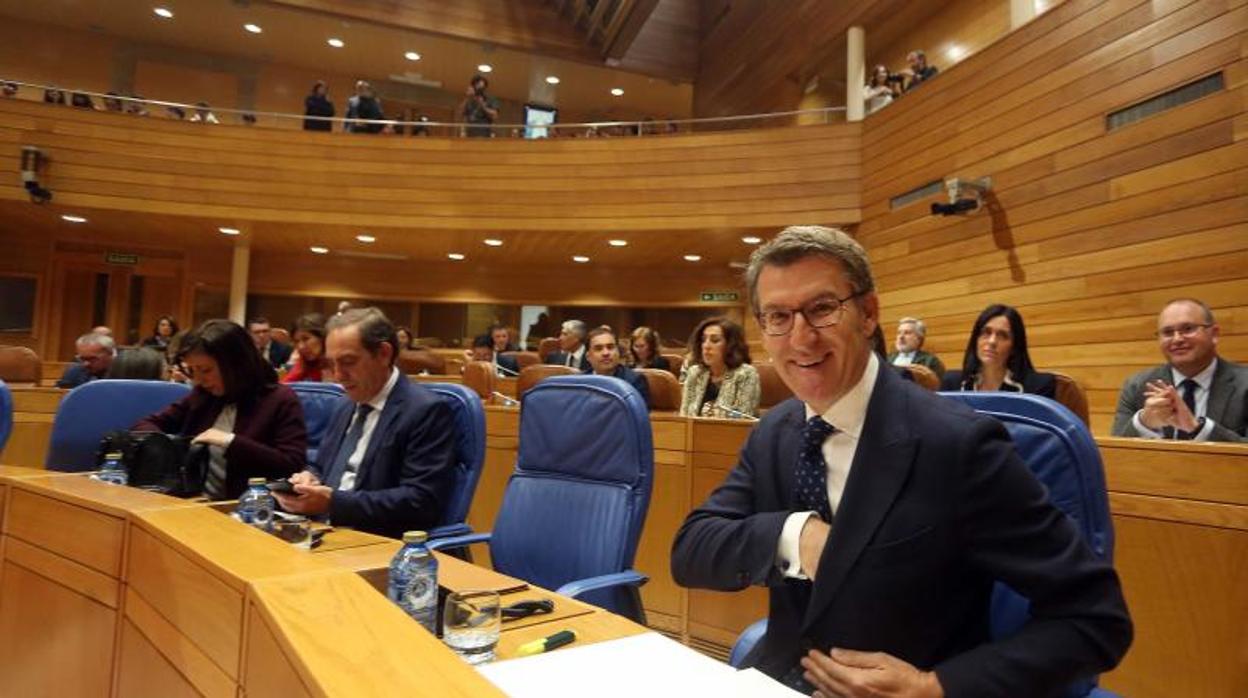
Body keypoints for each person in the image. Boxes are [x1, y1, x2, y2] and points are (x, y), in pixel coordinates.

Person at [671, 225, 1132, 697]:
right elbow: (691, 552)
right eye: (778, 316)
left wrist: (937, 686)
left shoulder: (959, 446)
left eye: (822, 309)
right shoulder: (776, 431)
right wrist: (796, 535)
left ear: (868, 313)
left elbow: (1095, 618)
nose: (801, 338)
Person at [273, 308, 457, 539]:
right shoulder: (346, 403)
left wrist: (333, 503)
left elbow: (421, 501)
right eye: (332, 363)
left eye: (348, 362)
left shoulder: (425, 411)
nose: (338, 375)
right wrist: (309, 479)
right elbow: (322, 467)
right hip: (321, 532)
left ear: (383, 354)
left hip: (375, 541)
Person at [134, 320, 307, 500]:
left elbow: (291, 465)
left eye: (205, 370)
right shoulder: (203, 395)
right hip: (193, 503)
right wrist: (169, 447)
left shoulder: (280, 399)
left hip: (250, 509)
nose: (198, 380)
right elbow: (145, 424)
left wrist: (230, 441)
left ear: (236, 364)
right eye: (191, 371)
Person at [1112, 298, 1247, 442]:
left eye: (1188, 329)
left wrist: (1198, 428)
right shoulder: (1137, 386)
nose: (1177, 339)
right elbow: (1116, 452)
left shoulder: (1244, 385)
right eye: (1168, 332)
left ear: (1214, 334)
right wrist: (1143, 423)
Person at [940, 304, 1055, 397]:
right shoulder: (951, 383)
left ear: (1014, 347)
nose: (992, 341)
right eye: (986, 332)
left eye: (1002, 335)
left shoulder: (1039, 387)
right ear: (976, 339)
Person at [679, 317, 760, 418]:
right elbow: (684, 416)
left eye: (715, 340)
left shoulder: (746, 374)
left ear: (730, 345)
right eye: (703, 340)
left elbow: (742, 419)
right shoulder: (695, 373)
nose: (706, 346)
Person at [585, 326, 650, 406]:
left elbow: (637, 416)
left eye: (610, 347)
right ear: (588, 356)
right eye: (598, 349)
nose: (606, 353)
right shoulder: (578, 382)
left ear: (618, 352)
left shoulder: (634, 381)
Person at [282, 313, 330, 383]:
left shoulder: (337, 363)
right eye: (297, 341)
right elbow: (284, 386)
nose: (301, 347)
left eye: (306, 339)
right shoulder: (304, 362)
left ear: (323, 337)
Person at [460, 74, 500, 138]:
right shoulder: (469, 99)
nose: (478, 89)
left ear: (485, 87)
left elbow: (495, 116)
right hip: (469, 133)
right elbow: (462, 113)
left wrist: (482, 105)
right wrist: (467, 97)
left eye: (481, 87)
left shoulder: (491, 99)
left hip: (483, 132)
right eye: (476, 85)